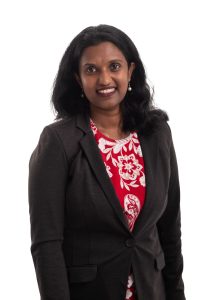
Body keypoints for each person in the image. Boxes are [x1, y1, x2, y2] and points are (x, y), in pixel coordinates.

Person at [28, 24, 186, 300]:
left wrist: (177, 293)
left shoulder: (157, 132)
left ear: (131, 71)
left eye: (114, 66)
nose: (105, 79)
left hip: (153, 290)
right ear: (77, 78)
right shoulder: (58, 142)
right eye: (91, 69)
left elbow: (169, 227)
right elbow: (47, 244)